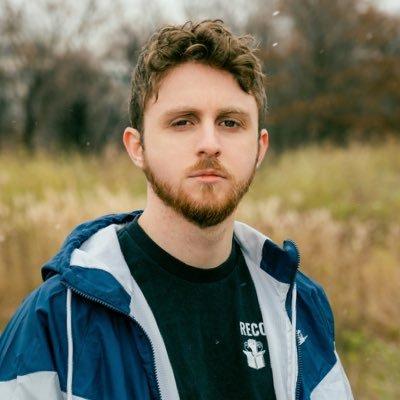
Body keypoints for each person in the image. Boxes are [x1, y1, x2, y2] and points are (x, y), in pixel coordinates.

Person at [0, 19, 353, 400]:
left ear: (259, 149)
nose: (209, 143)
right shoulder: (59, 320)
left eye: (230, 122)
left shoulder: (299, 308)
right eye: (183, 121)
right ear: (138, 147)